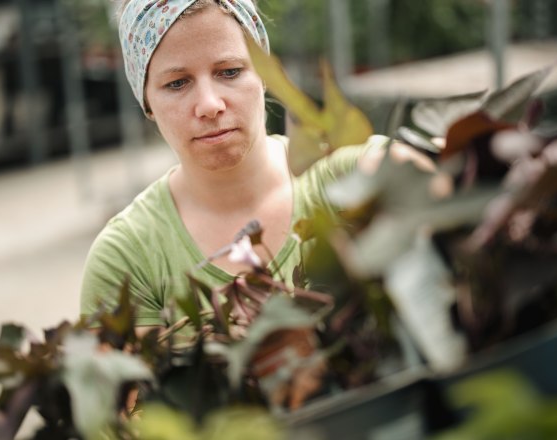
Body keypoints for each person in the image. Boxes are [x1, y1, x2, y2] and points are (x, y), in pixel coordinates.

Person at [79, 0, 430, 337]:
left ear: (264, 75)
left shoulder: (358, 175)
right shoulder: (126, 259)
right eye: (177, 83)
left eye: (229, 72)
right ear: (147, 102)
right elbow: (131, 399)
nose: (210, 105)